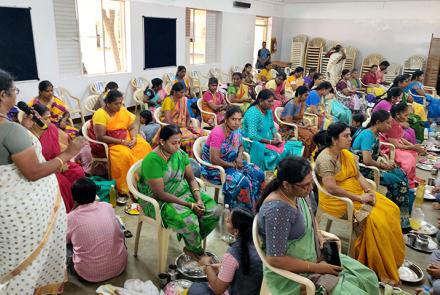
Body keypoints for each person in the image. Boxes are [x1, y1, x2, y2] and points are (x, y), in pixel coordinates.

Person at [0, 69, 83, 294]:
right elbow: (33, 172)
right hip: (22, 216)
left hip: (6, 211)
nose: (16, 95)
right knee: (26, 266)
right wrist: (68, 154)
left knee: (8, 259)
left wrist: (26, 130)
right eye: (14, 91)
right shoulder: (8, 130)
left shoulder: (15, 131)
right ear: (2, 96)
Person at [257, 156, 380, 294]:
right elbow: (275, 260)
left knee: (368, 277)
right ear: (286, 185)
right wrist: (317, 268)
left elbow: (310, 216)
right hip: (293, 278)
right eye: (306, 185)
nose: (310, 189)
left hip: (314, 256)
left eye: (311, 183)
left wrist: (318, 235)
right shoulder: (278, 211)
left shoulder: (298, 193)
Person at [313, 122, 405, 285]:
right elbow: (331, 188)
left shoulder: (345, 154)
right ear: (334, 140)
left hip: (356, 193)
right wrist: (360, 199)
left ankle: (392, 257)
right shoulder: (326, 158)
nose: (350, 139)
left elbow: (357, 176)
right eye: (346, 136)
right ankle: (376, 264)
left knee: (392, 209)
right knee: (376, 222)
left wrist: (369, 191)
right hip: (338, 201)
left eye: (349, 135)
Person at [137, 125, 219, 257]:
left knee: (213, 210)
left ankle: (192, 244)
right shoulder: (152, 160)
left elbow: (191, 179)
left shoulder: (179, 154)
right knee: (188, 220)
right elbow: (159, 193)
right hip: (158, 201)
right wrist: (190, 205)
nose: (177, 146)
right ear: (162, 142)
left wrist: (198, 199)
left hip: (183, 192)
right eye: (173, 143)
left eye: (179, 142)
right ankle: (196, 251)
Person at [352, 110, 412, 230]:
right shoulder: (368, 135)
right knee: (399, 183)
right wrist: (384, 166)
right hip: (365, 170)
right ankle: (392, 216)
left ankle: (400, 215)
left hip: (374, 165)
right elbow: (367, 160)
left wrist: (387, 161)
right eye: (387, 123)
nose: (390, 126)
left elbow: (376, 152)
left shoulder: (375, 134)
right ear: (378, 122)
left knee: (402, 174)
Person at [88, 90, 152, 196]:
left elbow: (131, 127)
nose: (119, 106)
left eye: (121, 103)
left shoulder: (122, 110)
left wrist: (134, 138)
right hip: (112, 143)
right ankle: (129, 185)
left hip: (127, 138)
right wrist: (122, 142)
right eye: (116, 104)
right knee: (125, 155)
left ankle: (146, 180)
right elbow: (101, 137)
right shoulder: (100, 114)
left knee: (144, 146)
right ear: (108, 103)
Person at [201, 106, 264, 209]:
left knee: (258, 173)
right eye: (233, 119)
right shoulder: (218, 132)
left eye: (239, 120)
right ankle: (239, 211)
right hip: (215, 169)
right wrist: (233, 165)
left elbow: (240, 145)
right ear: (226, 119)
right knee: (242, 181)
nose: (237, 123)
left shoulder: (236, 130)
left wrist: (239, 157)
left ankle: (256, 204)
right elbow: (214, 159)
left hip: (233, 163)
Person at [188, 208, 263, 295]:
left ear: (236, 231)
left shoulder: (233, 253)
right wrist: (221, 266)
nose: (225, 219)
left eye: (229, 221)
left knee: (195, 289)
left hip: (235, 291)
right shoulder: (258, 244)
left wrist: (207, 264)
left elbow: (218, 289)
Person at [67, 177, 127, 282]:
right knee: (116, 229)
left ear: (73, 197)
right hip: (119, 267)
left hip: (87, 275)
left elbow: (64, 240)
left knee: (66, 246)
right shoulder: (107, 206)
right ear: (95, 194)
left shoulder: (70, 218)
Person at [27, 104, 85, 213]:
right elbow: (34, 163)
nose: (49, 121)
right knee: (62, 184)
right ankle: (66, 211)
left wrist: (62, 161)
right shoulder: (29, 136)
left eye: (49, 117)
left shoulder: (52, 129)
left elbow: (59, 149)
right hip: (43, 169)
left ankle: (80, 201)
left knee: (78, 171)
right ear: (34, 120)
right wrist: (57, 166)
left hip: (58, 161)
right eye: (45, 119)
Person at [242, 89, 303, 171]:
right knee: (279, 153)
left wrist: (275, 137)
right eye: (269, 101)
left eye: (273, 101)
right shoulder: (253, 113)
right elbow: (252, 135)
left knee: (294, 145)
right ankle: (282, 170)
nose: (272, 104)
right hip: (254, 143)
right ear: (260, 101)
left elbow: (272, 126)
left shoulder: (268, 111)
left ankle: (288, 170)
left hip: (268, 141)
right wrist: (270, 142)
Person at [382, 103, 425, 188]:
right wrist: (412, 147)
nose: (407, 117)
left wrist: (413, 146)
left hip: (396, 144)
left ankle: (410, 178)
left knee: (414, 152)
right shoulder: (392, 124)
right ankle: (404, 180)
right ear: (397, 114)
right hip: (389, 147)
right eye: (406, 115)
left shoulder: (397, 122)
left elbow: (400, 138)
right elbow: (394, 144)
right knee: (408, 157)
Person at [162, 83, 204, 157]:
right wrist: (179, 125)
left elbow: (188, 115)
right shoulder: (168, 101)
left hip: (183, 126)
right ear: (174, 92)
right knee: (191, 139)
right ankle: (190, 158)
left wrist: (187, 125)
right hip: (171, 128)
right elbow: (168, 121)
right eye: (181, 92)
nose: (183, 94)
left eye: (184, 92)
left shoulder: (183, 100)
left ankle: (199, 155)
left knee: (201, 132)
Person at [280, 86, 317, 158]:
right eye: (305, 95)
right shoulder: (291, 105)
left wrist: (305, 123)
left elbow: (300, 117)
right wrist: (303, 126)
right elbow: (288, 122)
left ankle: (310, 155)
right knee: (309, 136)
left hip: (297, 125)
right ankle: (304, 157)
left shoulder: (302, 103)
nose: (307, 97)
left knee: (315, 131)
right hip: (289, 128)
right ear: (300, 95)